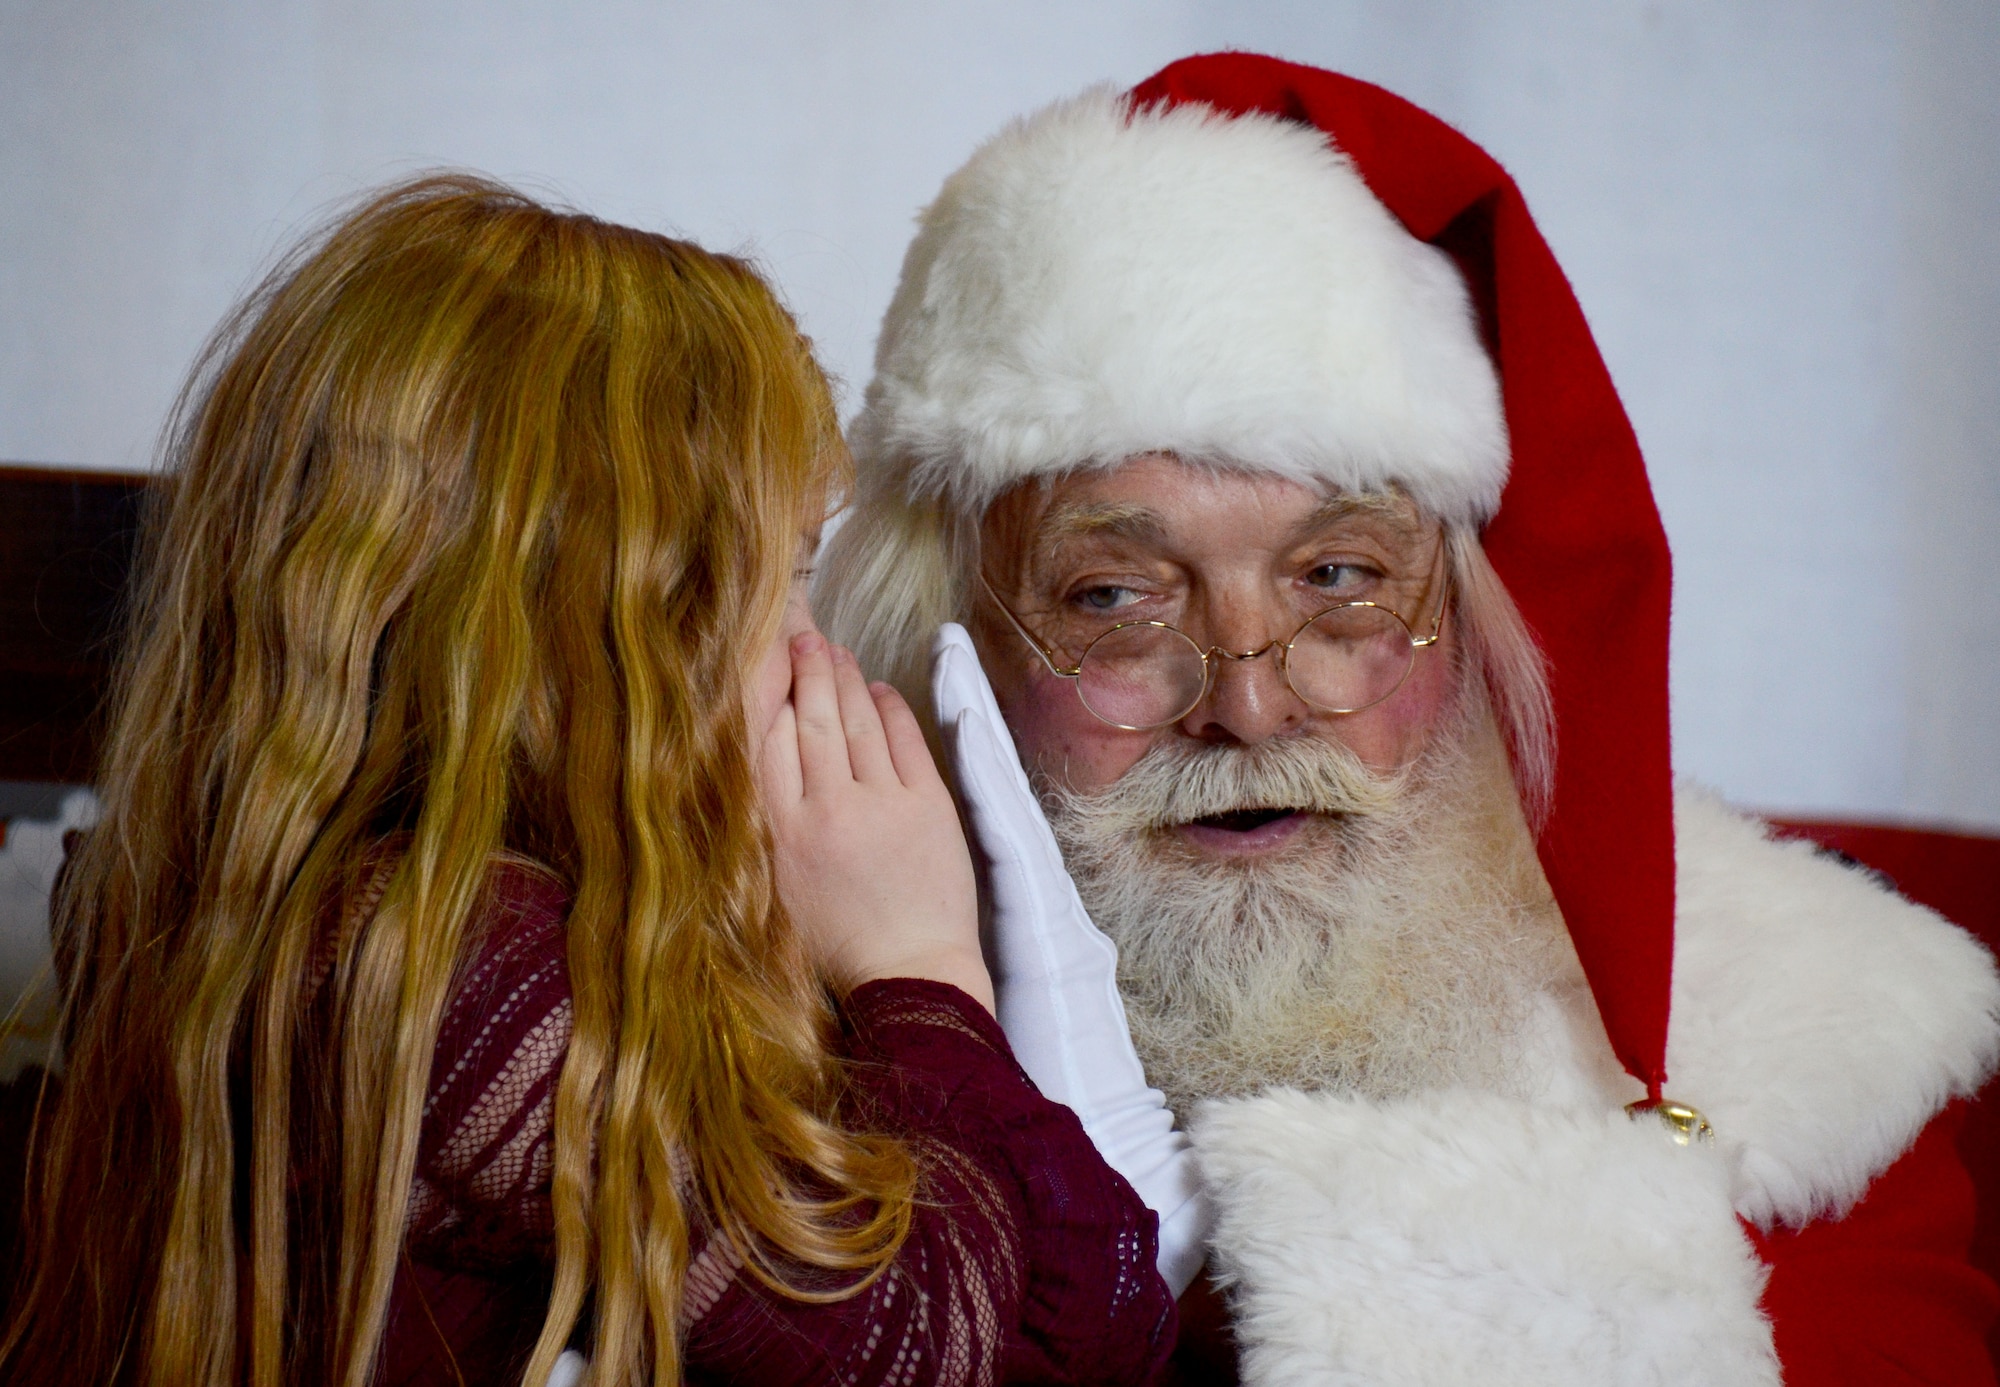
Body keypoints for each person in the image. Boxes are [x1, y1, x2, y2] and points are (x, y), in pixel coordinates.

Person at [817, 53, 2000, 1386]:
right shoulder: (754, 1049)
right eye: (1114, 596)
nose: (1251, 704)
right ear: (948, 647)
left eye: (1338, 579)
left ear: (1488, 623)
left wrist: (1180, 1278)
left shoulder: (1800, 1029)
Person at [0, 175, 1177, 1387]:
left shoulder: (450, 924)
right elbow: (966, 1352)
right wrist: (921, 965)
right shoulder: (439, 961)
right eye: (780, 577)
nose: (814, 653)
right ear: (601, 626)